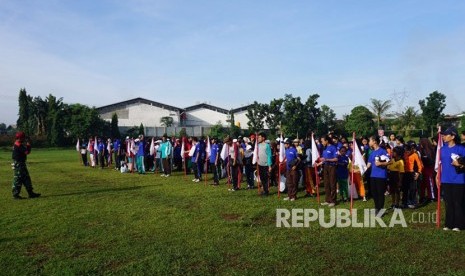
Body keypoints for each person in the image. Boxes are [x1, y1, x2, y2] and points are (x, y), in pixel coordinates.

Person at [438, 127, 465, 231]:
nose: (443, 136)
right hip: (445, 179)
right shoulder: (442, 149)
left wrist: (460, 164)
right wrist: (438, 176)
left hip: (458, 179)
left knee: (457, 202)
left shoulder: (461, 148)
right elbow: (439, 164)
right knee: (448, 202)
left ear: (453, 136)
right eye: (443, 134)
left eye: (446, 134)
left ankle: (458, 225)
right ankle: (449, 224)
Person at [12, 131, 41, 199]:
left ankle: (31, 193)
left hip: (20, 164)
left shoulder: (17, 143)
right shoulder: (18, 144)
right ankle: (16, 195)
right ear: (20, 138)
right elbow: (27, 152)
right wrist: (28, 144)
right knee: (18, 179)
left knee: (26, 178)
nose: (24, 139)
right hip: (19, 164)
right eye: (23, 138)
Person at [366, 135, 389, 216]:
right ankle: (377, 208)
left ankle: (380, 210)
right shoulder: (372, 153)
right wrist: (359, 168)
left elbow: (389, 161)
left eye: (370, 141)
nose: (369, 142)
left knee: (380, 193)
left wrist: (381, 163)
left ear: (374, 141)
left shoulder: (382, 151)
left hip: (381, 176)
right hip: (373, 176)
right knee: (374, 193)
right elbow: (368, 165)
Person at [318, 135, 338, 207]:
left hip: (332, 167)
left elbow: (336, 159)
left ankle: (333, 201)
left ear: (327, 141)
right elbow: (324, 159)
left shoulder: (333, 148)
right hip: (325, 167)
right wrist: (318, 163)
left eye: (322, 141)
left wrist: (327, 160)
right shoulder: (324, 148)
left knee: (332, 183)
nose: (321, 142)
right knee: (326, 184)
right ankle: (327, 200)